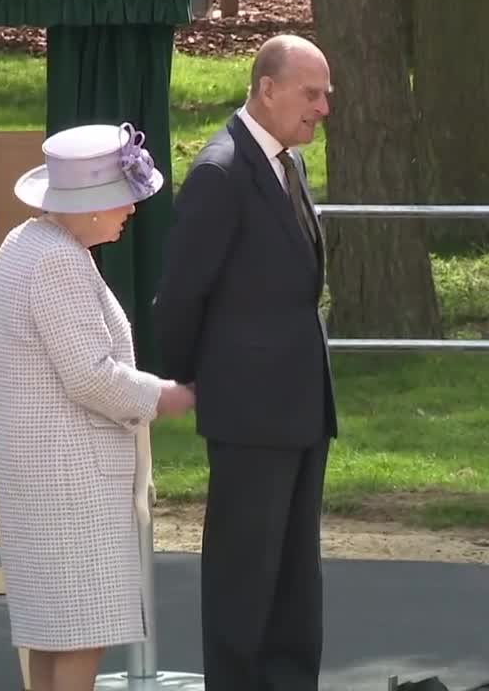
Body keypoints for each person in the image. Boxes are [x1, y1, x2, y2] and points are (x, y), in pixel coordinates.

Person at [152, 34, 337, 690]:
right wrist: (185, 377)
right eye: (310, 94)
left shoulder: (287, 165)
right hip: (250, 410)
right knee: (244, 575)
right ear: (266, 88)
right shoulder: (222, 172)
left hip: (299, 406)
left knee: (293, 574)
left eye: (326, 95)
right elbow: (180, 293)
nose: (322, 108)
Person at [0, 122, 195, 691]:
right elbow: (89, 375)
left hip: (42, 471)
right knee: (80, 631)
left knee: (56, 631)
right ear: (92, 204)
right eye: (124, 198)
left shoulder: (25, 243)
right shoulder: (59, 261)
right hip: (68, 477)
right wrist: (164, 396)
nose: (132, 209)